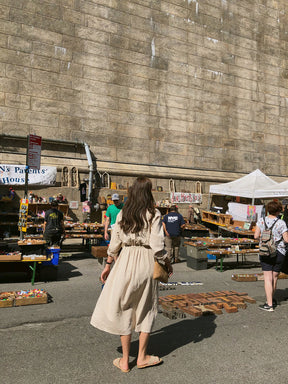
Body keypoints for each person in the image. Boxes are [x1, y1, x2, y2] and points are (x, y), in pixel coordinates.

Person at [90, 177, 173, 372]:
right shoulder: (154, 213)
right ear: (148, 192)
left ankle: (125, 360)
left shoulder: (122, 213)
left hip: (125, 259)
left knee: (124, 306)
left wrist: (108, 264)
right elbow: (157, 246)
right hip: (146, 260)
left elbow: (114, 242)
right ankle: (142, 357)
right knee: (145, 308)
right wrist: (167, 263)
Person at [254, 200, 288, 312]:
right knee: (274, 277)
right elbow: (286, 239)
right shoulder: (281, 223)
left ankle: (269, 305)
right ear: (279, 211)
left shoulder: (261, 221)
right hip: (279, 252)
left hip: (265, 252)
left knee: (267, 278)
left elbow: (256, 236)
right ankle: (271, 299)